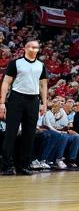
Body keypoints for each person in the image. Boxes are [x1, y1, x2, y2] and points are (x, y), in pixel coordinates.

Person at [1, 40, 47, 175]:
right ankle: (7, 166)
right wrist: (2, 102)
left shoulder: (41, 65)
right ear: (25, 48)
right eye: (32, 47)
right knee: (11, 134)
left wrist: (44, 102)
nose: (34, 49)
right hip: (16, 98)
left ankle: (23, 165)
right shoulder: (15, 63)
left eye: (37, 48)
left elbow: (43, 85)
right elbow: (6, 82)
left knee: (29, 135)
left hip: (33, 100)